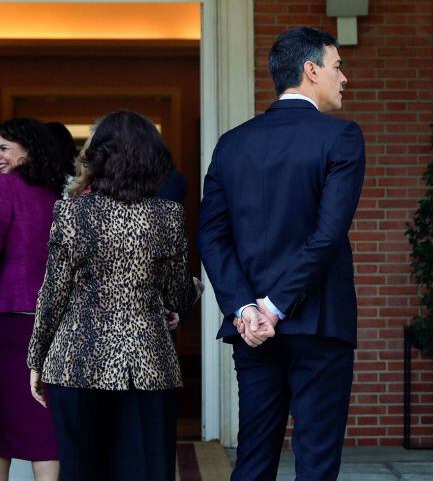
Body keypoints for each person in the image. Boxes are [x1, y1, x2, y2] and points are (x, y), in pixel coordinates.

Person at [198, 26, 366, 480]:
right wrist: (272, 309)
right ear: (311, 71)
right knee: (315, 459)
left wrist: (246, 307)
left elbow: (211, 235)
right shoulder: (342, 137)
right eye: (337, 66)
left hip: (251, 326)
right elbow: (327, 235)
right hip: (318, 322)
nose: (343, 78)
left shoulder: (232, 143)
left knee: (253, 455)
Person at [26, 110, 199, 481]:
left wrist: (36, 359)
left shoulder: (71, 211)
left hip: (75, 362)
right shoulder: (167, 215)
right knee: (147, 471)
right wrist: (191, 291)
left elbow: (53, 293)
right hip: (148, 366)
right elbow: (179, 294)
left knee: (81, 472)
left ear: (98, 156)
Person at [0, 118, 66, 481]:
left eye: (4, 148)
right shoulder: (54, 194)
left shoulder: (4, 187)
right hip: (45, 316)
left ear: (27, 152)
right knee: (40, 416)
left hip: (8, 316)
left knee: (3, 425)